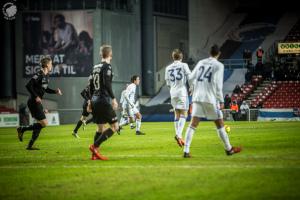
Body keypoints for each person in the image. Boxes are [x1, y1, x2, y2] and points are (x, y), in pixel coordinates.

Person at [183, 44, 241, 158]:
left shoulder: (201, 62)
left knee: (193, 124)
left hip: (197, 97)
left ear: (210, 52)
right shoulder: (219, 65)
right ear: (219, 54)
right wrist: (221, 100)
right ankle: (229, 149)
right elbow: (218, 85)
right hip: (209, 98)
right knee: (219, 124)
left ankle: (186, 151)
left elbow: (190, 77)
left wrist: (192, 88)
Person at [17, 57, 63, 150]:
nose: (51, 66)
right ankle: (22, 129)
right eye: (51, 64)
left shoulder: (46, 75)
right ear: (46, 65)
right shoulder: (39, 74)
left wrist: (55, 91)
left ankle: (30, 145)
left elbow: (45, 89)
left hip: (36, 102)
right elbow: (28, 85)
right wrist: (36, 96)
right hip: (33, 102)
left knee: (40, 124)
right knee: (44, 123)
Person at [88, 45, 119, 160]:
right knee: (115, 127)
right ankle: (94, 147)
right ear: (110, 54)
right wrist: (114, 99)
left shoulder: (95, 67)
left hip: (95, 100)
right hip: (103, 100)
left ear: (101, 54)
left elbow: (90, 85)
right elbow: (107, 83)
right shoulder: (107, 67)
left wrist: (89, 102)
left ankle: (94, 155)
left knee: (100, 128)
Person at [165, 49, 191, 147]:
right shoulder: (184, 65)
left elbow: (167, 83)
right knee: (184, 113)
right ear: (181, 57)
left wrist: (173, 88)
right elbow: (190, 77)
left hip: (173, 92)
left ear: (173, 57)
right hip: (181, 92)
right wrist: (192, 87)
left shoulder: (168, 68)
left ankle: (178, 136)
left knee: (177, 114)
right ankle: (178, 135)